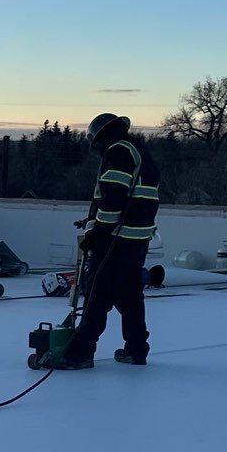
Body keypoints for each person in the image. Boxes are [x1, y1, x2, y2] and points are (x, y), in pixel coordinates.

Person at [63, 113, 158, 368]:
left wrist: (98, 234)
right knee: (130, 298)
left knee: (97, 295)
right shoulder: (140, 152)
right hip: (138, 239)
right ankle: (137, 350)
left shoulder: (117, 152)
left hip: (116, 238)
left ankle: (79, 354)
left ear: (99, 137)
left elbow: (113, 197)